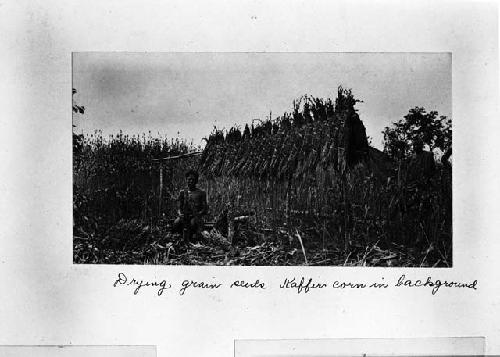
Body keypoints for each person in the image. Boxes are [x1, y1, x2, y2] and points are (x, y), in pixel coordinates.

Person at [172, 169, 208, 243]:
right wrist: (180, 214)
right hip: (184, 215)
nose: (190, 181)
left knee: (192, 224)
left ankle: (191, 240)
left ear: (196, 181)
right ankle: (178, 238)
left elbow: (205, 209)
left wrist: (197, 215)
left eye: (193, 179)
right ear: (186, 180)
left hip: (195, 216)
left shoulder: (201, 193)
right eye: (189, 179)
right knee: (176, 223)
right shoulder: (182, 192)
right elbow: (179, 207)